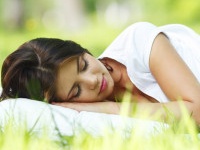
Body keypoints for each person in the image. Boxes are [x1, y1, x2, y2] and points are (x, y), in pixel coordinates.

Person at [1, 22, 200, 124]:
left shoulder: (138, 43)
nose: (93, 80)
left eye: (83, 65)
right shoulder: (93, 115)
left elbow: (197, 112)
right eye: (76, 90)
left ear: (83, 50)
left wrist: (111, 109)